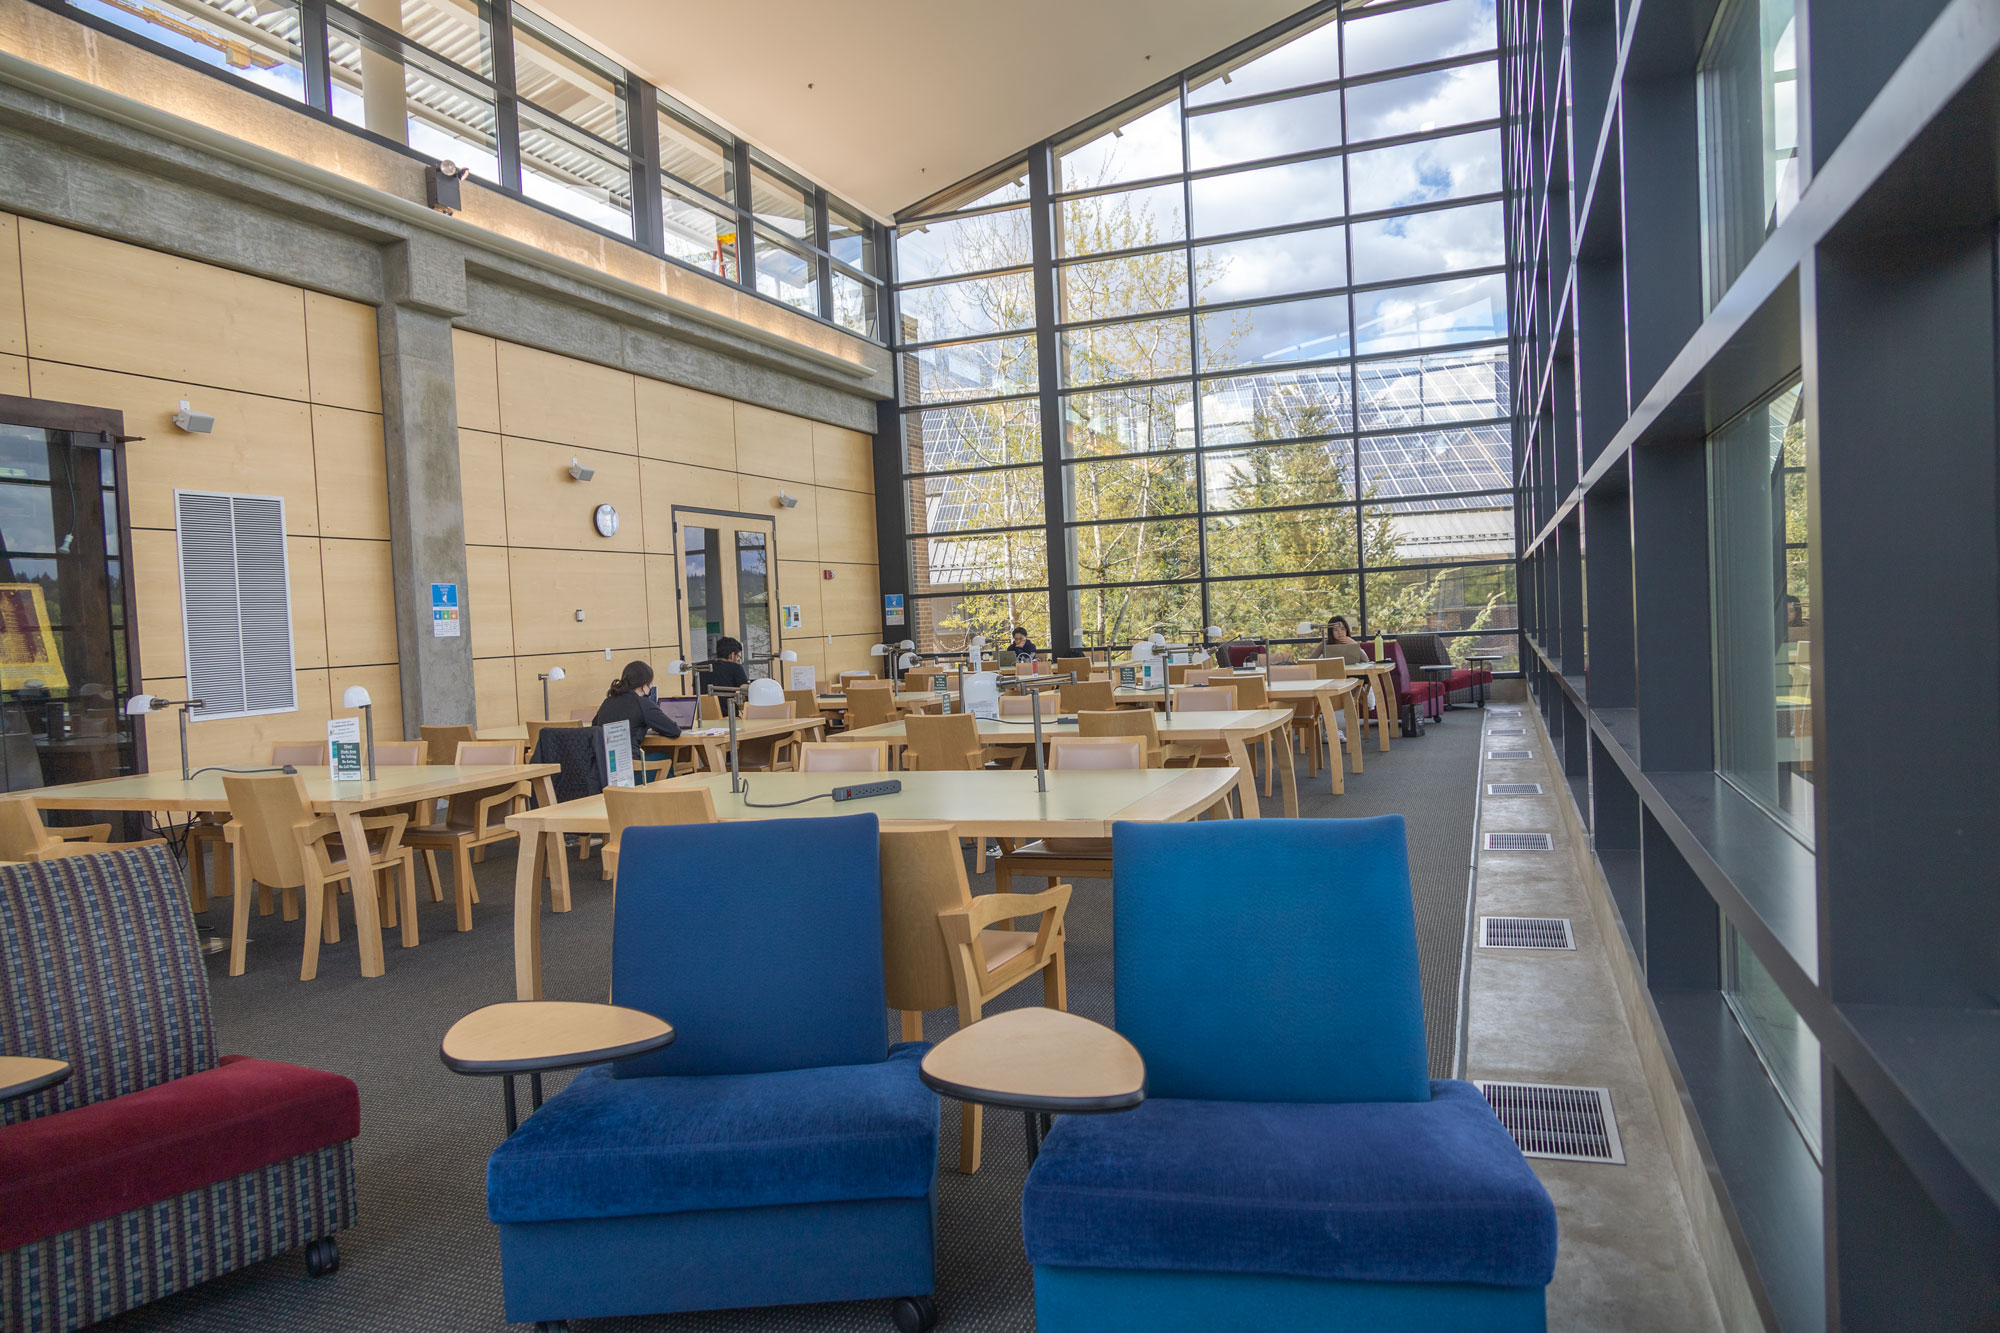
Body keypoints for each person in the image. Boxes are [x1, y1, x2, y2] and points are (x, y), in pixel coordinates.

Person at [592, 660, 682, 762]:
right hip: (632, 768)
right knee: (665, 758)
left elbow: (595, 727)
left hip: (605, 769)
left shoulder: (607, 702)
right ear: (644, 686)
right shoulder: (642, 704)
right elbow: (674, 730)